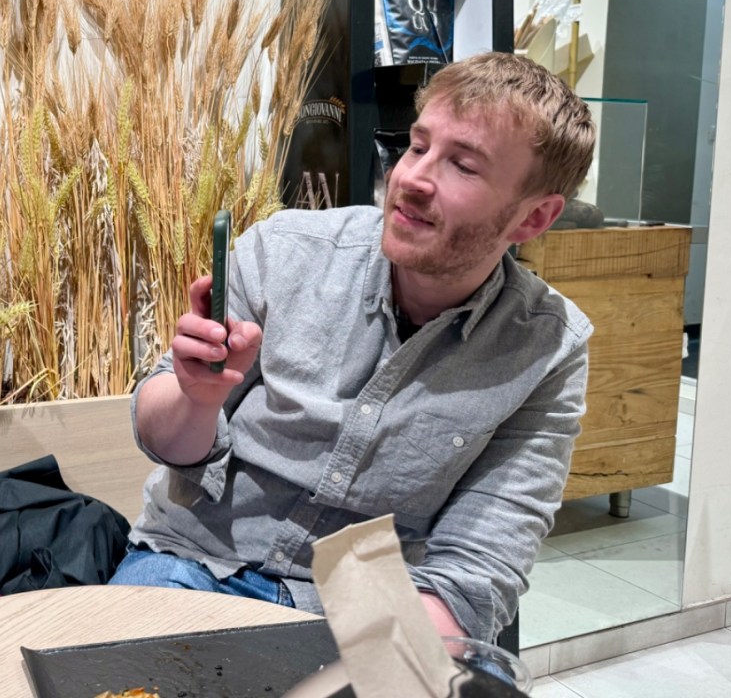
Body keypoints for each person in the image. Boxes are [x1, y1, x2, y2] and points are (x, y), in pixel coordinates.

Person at [110, 51, 596, 645]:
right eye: (418, 147)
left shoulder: (546, 348)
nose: (411, 178)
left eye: (463, 166)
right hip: (201, 557)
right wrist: (196, 398)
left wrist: (376, 672)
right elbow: (166, 445)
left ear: (534, 217)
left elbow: (478, 565)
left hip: (370, 602)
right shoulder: (285, 250)